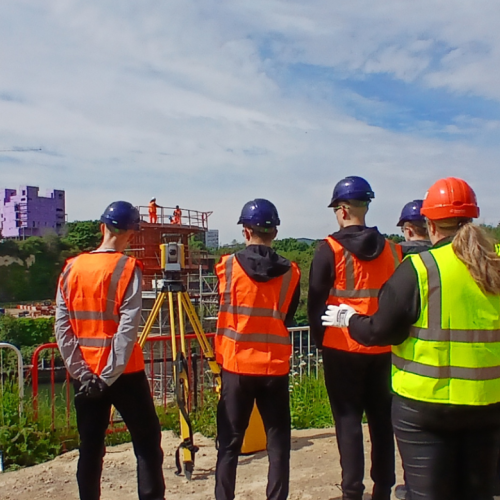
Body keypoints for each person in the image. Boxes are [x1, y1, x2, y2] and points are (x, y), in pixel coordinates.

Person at [323, 177, 500, 500]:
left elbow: (381, 331)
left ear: (430, 225)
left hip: (424, 407)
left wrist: (349, 319)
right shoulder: (493, 267)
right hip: (487, 404)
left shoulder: (420, 268)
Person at [55, 201, 165, 500]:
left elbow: (63, 329)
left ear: (102, 228)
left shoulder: (71, 268)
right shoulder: (128, 268)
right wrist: (108, 376)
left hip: (84, 377)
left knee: (90, 448)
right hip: (125, 374)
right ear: (131, 234)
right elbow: (127, 329)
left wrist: (83, 373)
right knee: (146, 445)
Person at [308, 176, 402, 500]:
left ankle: (352, 492)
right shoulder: (393, 250)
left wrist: (322, 344)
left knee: (348, 422)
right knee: (381, 421)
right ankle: (384, 490)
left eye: (336, 208)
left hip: (341, 349)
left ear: (344, 209)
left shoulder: (328, 250)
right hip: (383, 347)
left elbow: (315, 306)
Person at [214, 198, 301, 500]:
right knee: (278, 443)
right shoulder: (291, 272)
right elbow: (287, 315)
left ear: (245, 231)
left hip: (236, 367)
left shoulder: (226, 267)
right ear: (275, 232)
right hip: (274, 368)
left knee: (228, 444)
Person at [394, 199, 431, 500]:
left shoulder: (402, 262)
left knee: (417, 449)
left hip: (411, 370)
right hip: (476, 379)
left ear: (407, 230)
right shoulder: (465, 259)